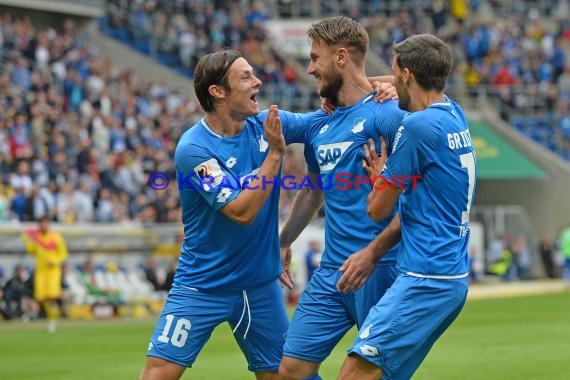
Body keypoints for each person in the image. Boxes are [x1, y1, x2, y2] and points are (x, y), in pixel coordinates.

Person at [140, 50, 327, 380]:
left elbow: (325, 119)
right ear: (218, 91)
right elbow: (241, 211)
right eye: (245, 77)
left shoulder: (263, 123)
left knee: (289, 375)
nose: (257, 81)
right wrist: (275, 155)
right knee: (158, 374)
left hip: (259, 285)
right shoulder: (195, 149)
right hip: (203, 285)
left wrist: (380, 85)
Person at [336, 34, 477, 379]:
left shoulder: (417, 126)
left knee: (354, 372)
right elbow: (418, 207)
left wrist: (380, 176)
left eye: (394, 72)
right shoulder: (453, 114)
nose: (390, 79)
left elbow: (377, 209)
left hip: (424, 277)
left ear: (408, 75)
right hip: (450, 277)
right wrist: (364, 87)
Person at [278, 16, 405, 380]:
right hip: (332, 271)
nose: (310, 67)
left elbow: (422, 180)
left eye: (316, 58)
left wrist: (394, 85)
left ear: (342, 57)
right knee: (289, 370)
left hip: (381, 268)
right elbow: (314, 189)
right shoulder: (322, 124)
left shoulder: (389, 113)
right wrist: (285, 241)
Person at [21, 216, 69, 332]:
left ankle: (52, 321)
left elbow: (63, 253)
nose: (43, 226)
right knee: (41, 298)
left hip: (53, 271)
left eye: (45, 223)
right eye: (41, 224)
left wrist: (55, 261)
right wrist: (26, 238)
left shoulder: (55, 237)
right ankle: (48, 318)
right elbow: (31, 250)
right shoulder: (37, 238)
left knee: (52, 296)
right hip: (40, 272)